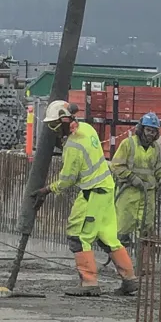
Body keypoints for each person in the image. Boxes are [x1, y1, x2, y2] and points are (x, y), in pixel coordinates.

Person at [32, 100, 139, 297]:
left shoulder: (72, 146)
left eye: (55, 125)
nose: (54, 131)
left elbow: (67, 180)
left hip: (93, 193)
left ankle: (89, 282)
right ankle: (129, 279)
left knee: (79, 236)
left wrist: (46, 190)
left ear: (65, 120)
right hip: (106, 189)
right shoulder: (88, 128)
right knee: (108, 237)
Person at [111, 113, 161, 254]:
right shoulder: (128, 144)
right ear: (142, 129)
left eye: (153, 131)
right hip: (129, 193)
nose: (150, 134)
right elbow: (116, 165)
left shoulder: (155, 148)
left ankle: (143, 262)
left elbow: (157, 168)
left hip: (148, 194)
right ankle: (120, 260)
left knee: (146, 228)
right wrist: (131, 177)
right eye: (148, 130)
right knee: (123, 227)